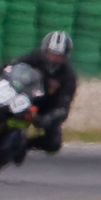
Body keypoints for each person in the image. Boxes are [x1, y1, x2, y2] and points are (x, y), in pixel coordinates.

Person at [11, 30, 77, 164]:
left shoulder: (68, 76)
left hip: (46, 108)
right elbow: (12, 67)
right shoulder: (34, 58)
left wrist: (49, 117)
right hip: (24, 98)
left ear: (65, 56)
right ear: (44, 49)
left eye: (58, 55)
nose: (53, 57)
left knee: (54, 144)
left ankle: (26, 144)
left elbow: (64, 106)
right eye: (51, 52)